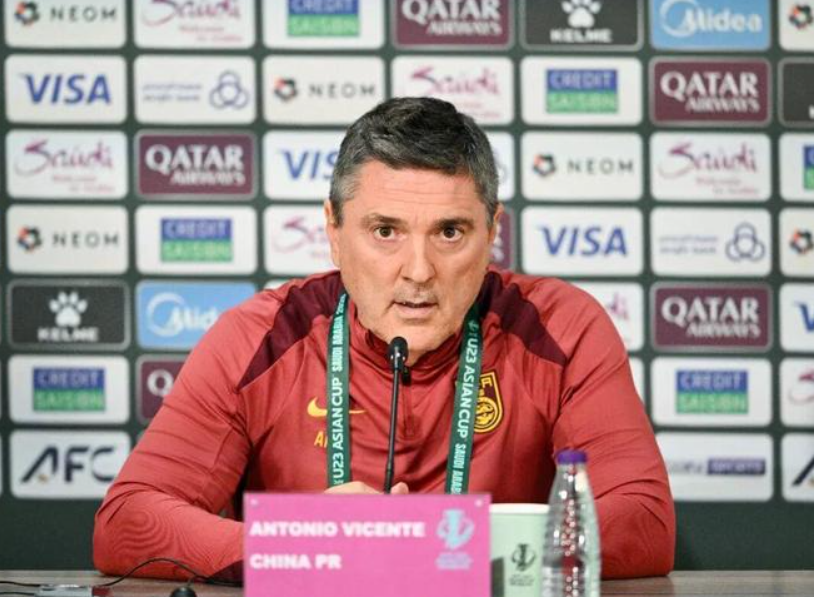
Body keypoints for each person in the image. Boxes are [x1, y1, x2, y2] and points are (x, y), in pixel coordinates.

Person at [94, 97, 675, 581]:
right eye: (385, 231)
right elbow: (127, 522)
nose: (418, 271)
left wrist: (438, 548)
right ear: (334, 231)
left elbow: (645, 522)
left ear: (492, 233)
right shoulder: (260, 337)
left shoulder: (561, 327)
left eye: (450, 232)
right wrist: (300, 545)